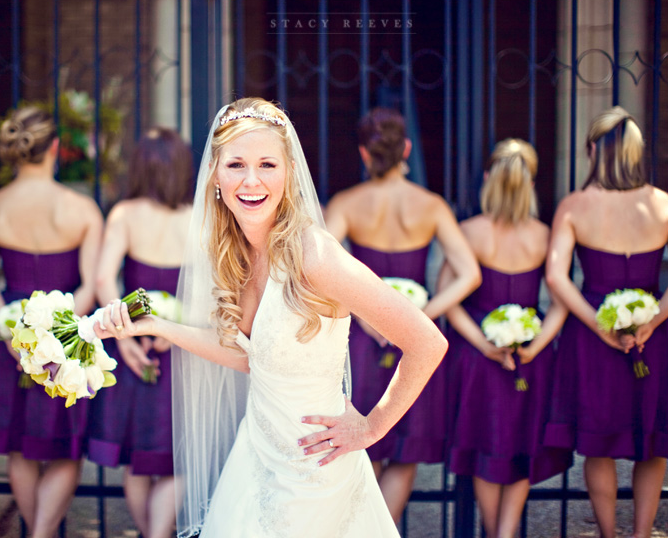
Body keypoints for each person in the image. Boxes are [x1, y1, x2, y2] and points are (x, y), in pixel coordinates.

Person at [92, 97, 448, 537]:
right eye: (236, 165)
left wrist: (372, 427)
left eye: (267, 165)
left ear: (288, 173)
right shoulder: (235, 253)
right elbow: (248, 357)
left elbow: (427, 342)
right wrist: (155, 325)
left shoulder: (313, 254)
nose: (252, 180)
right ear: (215, 177)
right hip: (255, 458)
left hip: (315, 472)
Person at [323, 106, 481, 526]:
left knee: (362, 446)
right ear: (406, 148)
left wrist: (365, 313)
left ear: (364, 153)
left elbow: (313, 266)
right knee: (405, 451)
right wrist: (417, 318)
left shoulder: (346, 204)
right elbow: (469, 274)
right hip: (411, 343)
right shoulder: (430, 205)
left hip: (361, 339)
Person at [0, 106, 104, 537]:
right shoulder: (81, 209)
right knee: (66, 448)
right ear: (54, 148)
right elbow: (92, 283)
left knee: (18, 447)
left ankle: (33, 538)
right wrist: (57, 330)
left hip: (6, 343)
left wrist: (13, 334)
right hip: (67, 340)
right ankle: (42, 539)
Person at [543, 106, 668, 538]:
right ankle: (641, 538)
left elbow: (557, 276)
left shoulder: (575, 206)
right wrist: (653, 322)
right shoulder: (664, 203)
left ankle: (610, 539)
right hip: (654, 338)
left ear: (594, 150)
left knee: (599, 443)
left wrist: (599, 324)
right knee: (652, 441)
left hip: (592, 336)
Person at [439, 139, 572, 537]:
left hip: (479, 360)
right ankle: (506, 536)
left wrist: (483, 345)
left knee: (485, 447)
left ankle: (493, 533)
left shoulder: (469, 231)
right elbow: (562, 299)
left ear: (487, 180)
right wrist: (536, 345)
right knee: (522, 444)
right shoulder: (545, 234)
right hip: (533, 360)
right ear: (530, 182)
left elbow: (448, 302)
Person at [86, 127, 193, 538]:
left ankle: (152, 540)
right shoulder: (198, 217)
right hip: (182, 348)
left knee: (135, 459)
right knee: (179, 457)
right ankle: (158, 540)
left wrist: (125, 337)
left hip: (134, 352)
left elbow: (102, 279)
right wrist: (178, 329)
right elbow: (215, 287)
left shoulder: (125, 215)